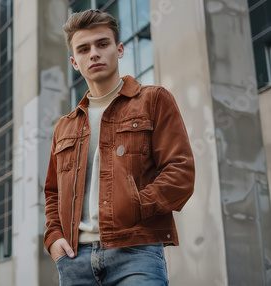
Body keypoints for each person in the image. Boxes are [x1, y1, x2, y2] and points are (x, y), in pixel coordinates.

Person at [43, 9, 195, 285]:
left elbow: (180, 173)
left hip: (136, 252)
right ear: (74, 62)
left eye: (103, 44)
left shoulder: (154, 100)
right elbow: (53, 193)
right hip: (75, 260)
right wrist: (54, 237)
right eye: (84, 49)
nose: (94, 54)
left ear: (119, 49)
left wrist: (134, 205)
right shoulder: (64, 126)